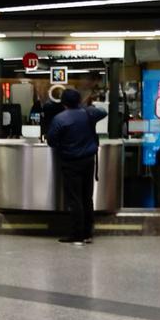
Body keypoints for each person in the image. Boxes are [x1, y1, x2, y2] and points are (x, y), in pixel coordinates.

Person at [46, 88, 108, 244]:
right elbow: (103, 111)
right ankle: (88, 233)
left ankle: (77, 234)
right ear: (78, 101)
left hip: (71, 162)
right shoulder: (88, 114)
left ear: (63, 102)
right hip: (89, 160)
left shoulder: (60, 119)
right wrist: (85, 107)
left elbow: (51, 141)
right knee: (87, 197)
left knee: (75, 199)